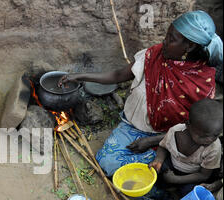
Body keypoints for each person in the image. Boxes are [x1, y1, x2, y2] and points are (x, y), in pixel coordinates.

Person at [59, 10, 222, 177]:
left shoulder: (201, 82)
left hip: (171, 139)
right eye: (167, 36)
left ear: (190, 46)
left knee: (161, 168)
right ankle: (156, 175)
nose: (164, 42)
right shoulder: (154, 55)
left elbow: (194, 131)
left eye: (171, 39)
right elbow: (118, 75)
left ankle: (161, 173)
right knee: (106, 161)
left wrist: (152, 141)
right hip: (133, 126)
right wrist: (80, 76)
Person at [149, 98, 222, 195]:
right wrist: (158, 160)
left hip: (192, 175)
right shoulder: (175, 131)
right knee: (154, 171)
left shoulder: (214, 148)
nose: (210, 139)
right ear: (188, 125)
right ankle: (168, 184)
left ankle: (173, 188)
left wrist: (176, 179)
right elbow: (163, 147)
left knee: (190, 191)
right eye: (203, 136)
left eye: (216, 135)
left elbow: (204, 175)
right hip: (172, 165)